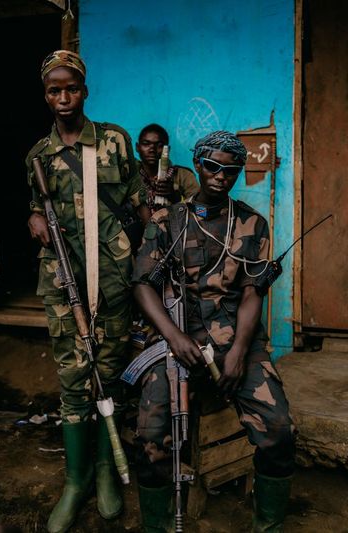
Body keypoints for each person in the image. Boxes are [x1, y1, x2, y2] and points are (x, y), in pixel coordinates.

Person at [131, 131, 296, 532]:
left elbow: (254, 292)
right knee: (151, 439)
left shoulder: (252, 223)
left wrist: (240, 350)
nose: (222, 175)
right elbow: (142, 285)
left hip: (233, 338)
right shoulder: (168, 221)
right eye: (213, 166)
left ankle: (267, 524)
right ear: (199, 165)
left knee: (279, 430)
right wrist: (173, 336)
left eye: (231, 169)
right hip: (176, 340)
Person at [26, 50, 147, 533]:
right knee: (73, 379)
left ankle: (104, 474)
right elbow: (38, 207)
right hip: (62, 283)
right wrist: (32, 217)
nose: (63, 97)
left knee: (110, 375)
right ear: (46, 95)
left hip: (114, 280)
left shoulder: (115, 141)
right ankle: (75, 480)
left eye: (70, 88)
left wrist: (152, 262)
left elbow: (140, 205)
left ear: (85, 90)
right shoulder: (38, 155)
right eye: (54, 90)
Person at [136, 123, 199, 214]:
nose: (152, 149)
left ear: (167, 150)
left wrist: (176, 198)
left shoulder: (183, 175)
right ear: (137, 147)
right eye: (146, 144)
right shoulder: (130, 175)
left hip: (175, 227)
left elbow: (202, 211)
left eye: (159, 145)